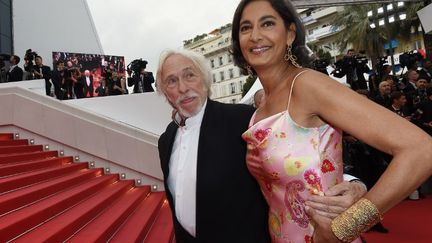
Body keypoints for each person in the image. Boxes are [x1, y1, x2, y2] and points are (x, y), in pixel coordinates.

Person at [231, 0, 432, 242]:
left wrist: (347, 226)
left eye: (267, 23)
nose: (255, 36)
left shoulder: (307, 85)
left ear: (290, 34)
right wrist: (353, 182)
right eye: (245, 28)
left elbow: (422, 150)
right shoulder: (259, 110)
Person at [157, 49, 367, 243]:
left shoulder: (243, 120)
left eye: (189, 75)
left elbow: (302, 153)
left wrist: (354, 183)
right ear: (164, 92)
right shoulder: (166, 140)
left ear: (204, 78)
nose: (183, 88)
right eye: (171, 81)